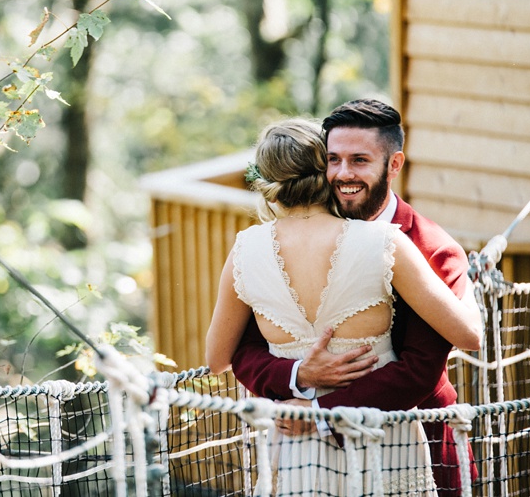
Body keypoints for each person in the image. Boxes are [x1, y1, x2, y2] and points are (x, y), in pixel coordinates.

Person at [205, 116, 482, 495]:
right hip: (383, 444)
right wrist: (299, 373)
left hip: (300, 450)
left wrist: (308, 401)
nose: (344, 172)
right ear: (323, 169)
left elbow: (217, 357)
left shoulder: (244, 251)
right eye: (335, 160)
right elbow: (470, 334)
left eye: (359, 160)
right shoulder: (386, 242)